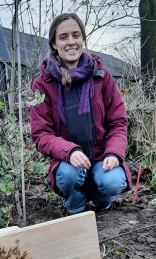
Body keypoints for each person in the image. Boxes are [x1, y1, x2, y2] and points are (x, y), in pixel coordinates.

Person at [30, 13, 131, 215]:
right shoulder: (43, 84)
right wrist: (70, 152)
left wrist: (113, 153)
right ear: (54, 43)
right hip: (68, 163)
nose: (71, 42)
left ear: (82, 39)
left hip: (100, 156)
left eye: (76, 35)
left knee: (113, 181)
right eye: (63, 37)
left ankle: (102, 200)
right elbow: (41, 135)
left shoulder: (102, 77)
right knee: (68, 175)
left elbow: (118, 123)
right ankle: (75, 205)